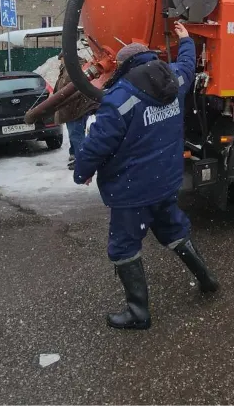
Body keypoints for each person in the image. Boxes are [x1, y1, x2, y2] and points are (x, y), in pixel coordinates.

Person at [73, 21, 219, 330]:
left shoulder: (120, 100)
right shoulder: (174, 81)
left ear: (124, 66)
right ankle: (206, 279)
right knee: (174, 230)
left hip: (132, 191)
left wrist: (82, 172)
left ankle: (138, 312)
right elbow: (187, 65)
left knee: (123, 247)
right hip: (165, 183)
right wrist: (186, 39)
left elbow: (97, 145)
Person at [53, 51, 98, 170]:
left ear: (64, 58)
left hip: (74, 108)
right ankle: (75, 154)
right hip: (77, 107)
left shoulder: (72, 68)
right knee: (77, 133)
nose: (60, 62)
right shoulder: (73, 67)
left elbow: (67, 90)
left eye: (61, 60)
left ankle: (82, 161)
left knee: (76, 135)